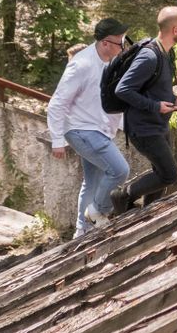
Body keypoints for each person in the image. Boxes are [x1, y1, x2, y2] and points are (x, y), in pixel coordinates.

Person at [46, 18, 131, 238]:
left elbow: (106, 101)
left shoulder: (110, 62)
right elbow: (57, 103)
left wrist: (126, 126)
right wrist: (57, 140)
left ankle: (82, 231)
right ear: (105, 43)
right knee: (119, 170)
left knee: (92, 182)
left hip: (98, 129)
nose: (123, 47)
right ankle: (97, 212)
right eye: (120, 43)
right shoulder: (81, 65)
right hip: (81, 130)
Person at [110, 6, 177, 213]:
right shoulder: (149, 57)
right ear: (175, 30)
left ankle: (149, 212)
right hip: (143, 128)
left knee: (161, 174)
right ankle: (122, 195)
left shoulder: (167, 53)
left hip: (158, 124)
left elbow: (156, 89)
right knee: (170, 174)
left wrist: (176, 101)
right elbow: (123, 89)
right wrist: (155, 106)